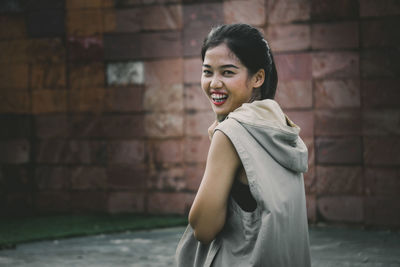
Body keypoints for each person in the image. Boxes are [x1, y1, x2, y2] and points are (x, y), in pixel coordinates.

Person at [175, 23, 311, 267]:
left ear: (258, 77)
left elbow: (204, 228)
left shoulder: (231, 133)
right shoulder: (280, 126)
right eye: (208, 72)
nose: (214, 83)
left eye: (227, 72)